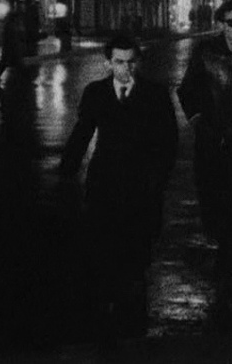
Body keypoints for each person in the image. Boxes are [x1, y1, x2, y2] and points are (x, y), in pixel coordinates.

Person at [59, 33, 178, 347]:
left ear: (139, 61)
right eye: (119, 62)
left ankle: (132, 317)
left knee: (138, 249)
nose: (126, 68)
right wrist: (67, 170)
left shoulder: (154, 94)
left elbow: (168, 140)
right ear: (109, 63)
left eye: (130, 62)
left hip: (142, 186)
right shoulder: (96, 92)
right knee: (104, 243)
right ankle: (109, 304)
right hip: (105, 182)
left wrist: (158, 178)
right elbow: (83, 130)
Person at [176, 0, 232, 283]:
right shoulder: (206, 52)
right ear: (222, 24)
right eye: (231, 22)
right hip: (209, 140)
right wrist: (199, 120)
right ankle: (226, 245)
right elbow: (188, 89)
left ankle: (228, 262)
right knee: (211, 202)